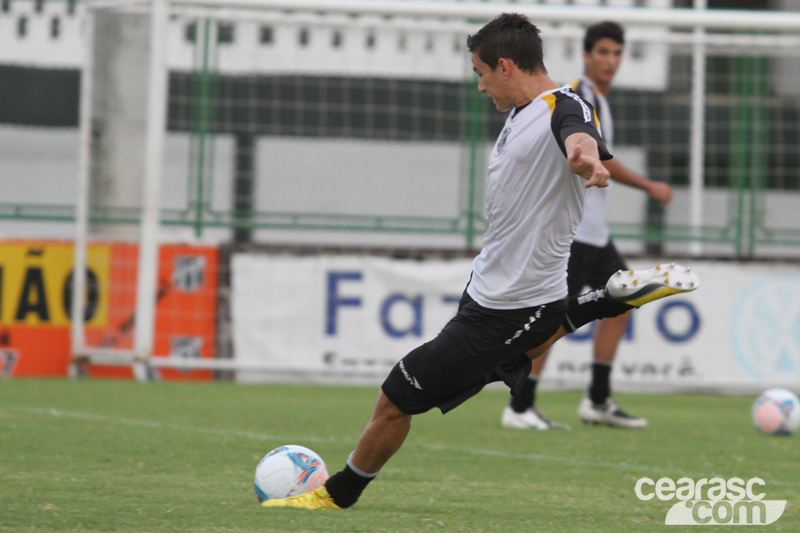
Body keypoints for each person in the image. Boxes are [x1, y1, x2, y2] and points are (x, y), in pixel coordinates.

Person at [261, 13, 698, 510]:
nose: (480, 86)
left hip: (514, 304)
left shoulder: (566, 106)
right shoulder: (521, 112)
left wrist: (587, 159)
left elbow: (578, 137)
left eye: (481, 72)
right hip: (494, 296)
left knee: (397, 397)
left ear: (505, 66)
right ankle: (604, 301)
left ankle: (335, 497)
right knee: (503, 360)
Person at [499, 21, 674, 431]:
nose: (610, 61)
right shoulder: (579, 98)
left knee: (625, 301)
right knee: (552, 321)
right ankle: (520, 406)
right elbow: (598, 156)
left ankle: (597, 399)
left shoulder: (599, 99)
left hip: (595, 234)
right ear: (587, 55)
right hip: (573, 233)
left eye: (617, 53)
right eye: (603, 52)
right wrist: (649, 185)